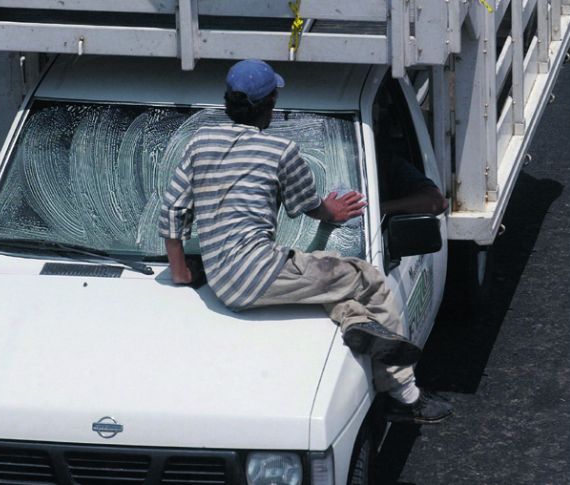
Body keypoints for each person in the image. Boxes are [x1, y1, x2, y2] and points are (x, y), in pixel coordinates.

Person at [158, 59, 452, 424]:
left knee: (328, 282)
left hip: (221, 278)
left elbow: (173, 209)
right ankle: (404, 395)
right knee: (367, 279)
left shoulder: (200, 141)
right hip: (259, 274)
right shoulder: (280, 152)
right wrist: (334, 212)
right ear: (270, 104)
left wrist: (180, 271)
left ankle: (355, 321)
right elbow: (309, 206)